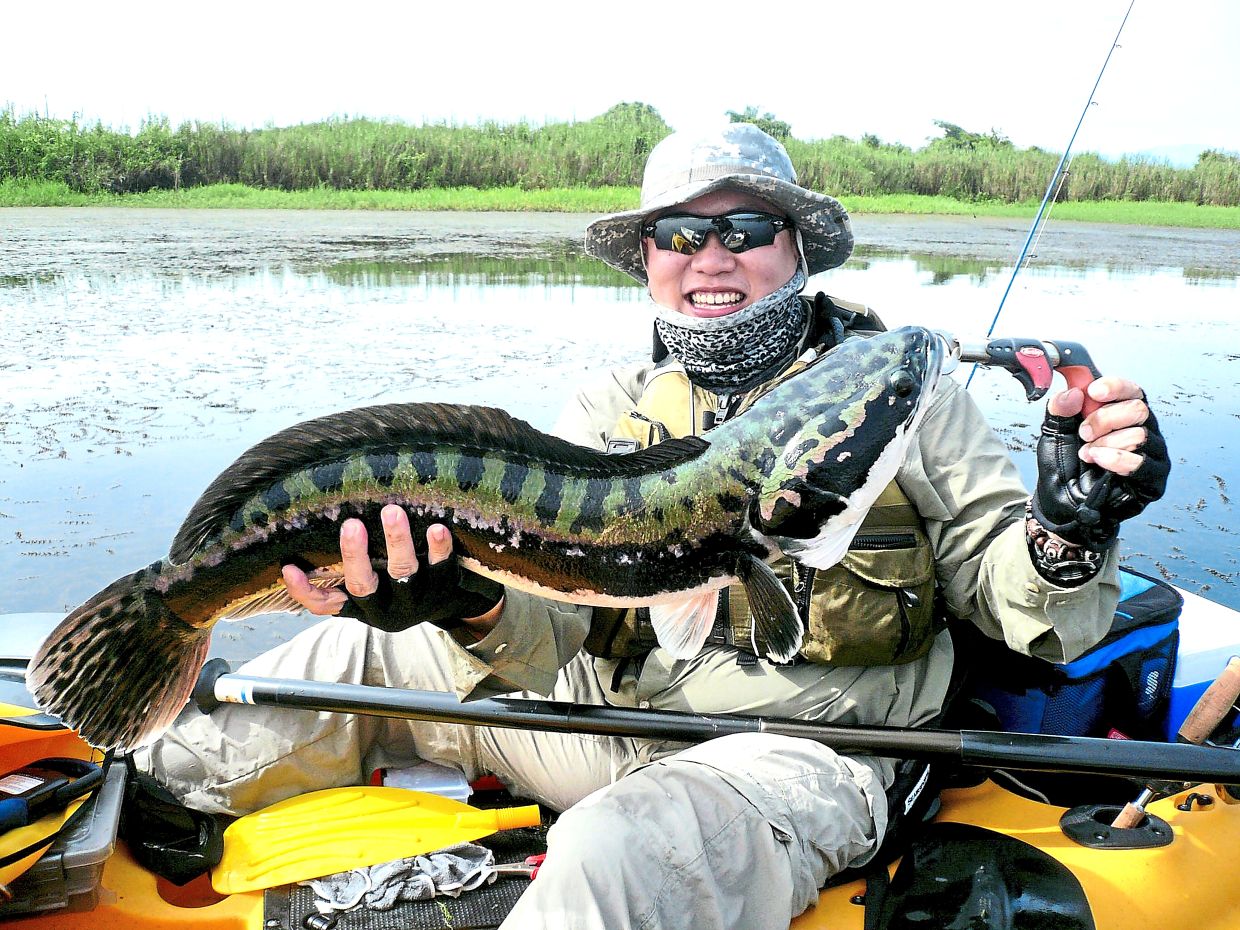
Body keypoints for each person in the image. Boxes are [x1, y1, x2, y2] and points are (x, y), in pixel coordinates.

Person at [135, 123, 1169, 929]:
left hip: (803, 756)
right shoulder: (613, 408)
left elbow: (1033, 611)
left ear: (795, 246)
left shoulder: (902, 397)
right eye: (679, 234)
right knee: (343, 647)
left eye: (743, 229)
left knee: (618, 851)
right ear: (646, 259)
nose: (709, 256)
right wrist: (467, 602)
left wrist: (1069, 528)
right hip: (604, 722)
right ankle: (143, 777)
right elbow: (554, 641)